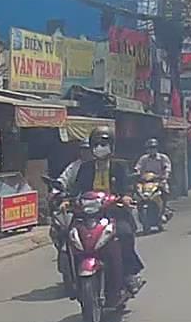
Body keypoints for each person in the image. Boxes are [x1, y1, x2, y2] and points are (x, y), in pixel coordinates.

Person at [57, 127, 143, 298]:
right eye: (96, 144)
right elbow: (76, 189)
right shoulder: (85, 168)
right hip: (88, 213)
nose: (100, 148)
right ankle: (72, 278)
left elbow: (127, 185)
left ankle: (129, 275)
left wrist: (126, 196)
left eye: (104, 144)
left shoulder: (120, 166)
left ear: (111, 146)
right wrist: (67, 200)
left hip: (114, 212)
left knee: (125, 234)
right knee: (69, 235)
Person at [135, 138, 174, 212]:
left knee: (165, 190)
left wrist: (165, 176)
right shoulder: (143, 158)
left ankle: (164, 208)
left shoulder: (163, 158)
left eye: (153, 148)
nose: (152, 150)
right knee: (136, 191)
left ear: (157, 148)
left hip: (158, 180)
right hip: (145, 181)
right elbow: (138, 167)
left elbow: (167, 168)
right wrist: (137, 173)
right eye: (150, 148)